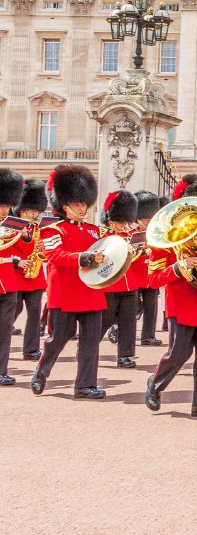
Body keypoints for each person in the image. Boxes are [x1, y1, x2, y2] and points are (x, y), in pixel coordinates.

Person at [145, 177, 197, 419]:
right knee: (179, 353)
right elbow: (153, 280)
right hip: (181, 303)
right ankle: (156, 384)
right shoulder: (165, 243)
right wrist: (177, 268)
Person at [33, 164, 107, 399]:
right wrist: (84, 258)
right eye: (77, 203)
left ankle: (85, 385)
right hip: (65, 293)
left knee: (90, 343)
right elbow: (55, 256)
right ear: (64, 205)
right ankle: (41, 373)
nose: (82, 207)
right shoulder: (53, 231)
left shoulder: (95, 231)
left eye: (84, 203)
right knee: (57, 339)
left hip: (91, 292)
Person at [98, 191, 144, 369]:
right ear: (110, 219)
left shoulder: (132, 235)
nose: (124, 225)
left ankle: (124, 355)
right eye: (120, 221)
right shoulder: (102, 235)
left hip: (129, 284)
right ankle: (89, 346)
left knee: (128, 320)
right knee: (105, 319)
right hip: (110, 285)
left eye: (126, 221)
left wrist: (143, 251)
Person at [0, 169, 28, 386]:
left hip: (7, 283)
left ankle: (1, 370)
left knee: (4, 331)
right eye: (2, 205)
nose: (4, 209)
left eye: (7, 205)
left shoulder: (11, 226)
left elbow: (17, 250)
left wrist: (25, 238)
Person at [133, 191, 164, 346]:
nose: (149, 221)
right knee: (131, 308)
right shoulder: (133, 233)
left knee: (151, 307)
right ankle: (118, 328)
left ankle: (148, 335)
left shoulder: (157, 233)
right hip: (135, 274)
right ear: (138, 218)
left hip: (151, 273)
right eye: (146, 219)